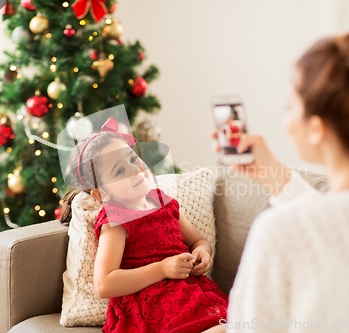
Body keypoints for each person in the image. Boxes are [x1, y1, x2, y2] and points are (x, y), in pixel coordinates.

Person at [212, 29, 349, 332]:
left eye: (291, 106)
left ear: (316, 127)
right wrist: (271, 171)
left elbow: (326, 234)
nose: (287, 121)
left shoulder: (279, 234)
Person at [60, 119, 228, 333]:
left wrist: (202, 253)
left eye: (132, 158)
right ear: (102, 193)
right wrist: (162, 269)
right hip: (153, 302)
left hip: (193, 292)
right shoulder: (116, 219)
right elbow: (105, 284)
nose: (134, 169)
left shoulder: (163, 201)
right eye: (119, 171)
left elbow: (198, 241)